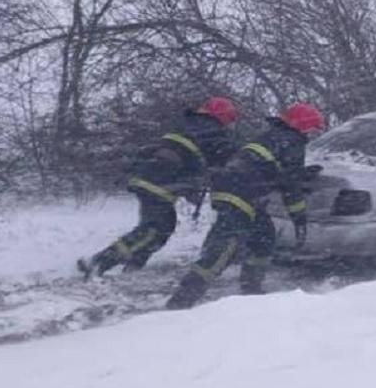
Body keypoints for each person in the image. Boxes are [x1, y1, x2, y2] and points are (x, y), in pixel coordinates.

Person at [165, 102, 325, 310]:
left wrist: (299, 174)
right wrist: (299, 217)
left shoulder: (273, 136)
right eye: (311, 128)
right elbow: (290, 186)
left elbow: (270, 169)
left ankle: (252, 291)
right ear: (301, 125)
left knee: (264, 238)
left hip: (237, 190)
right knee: (225, 249)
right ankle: (182, 299)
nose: (310, 133)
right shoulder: (292, 142)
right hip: (241, 194)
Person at [78, 97, 240, 278]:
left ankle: (133, 267)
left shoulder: (190, 123)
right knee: (156, 229)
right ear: (223, 116)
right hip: (159, 182)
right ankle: (99, 262)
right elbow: (226, 159)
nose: (230, 126)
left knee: (157, 227)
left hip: (149, 176)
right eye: (230, 120)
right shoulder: (214, 132)